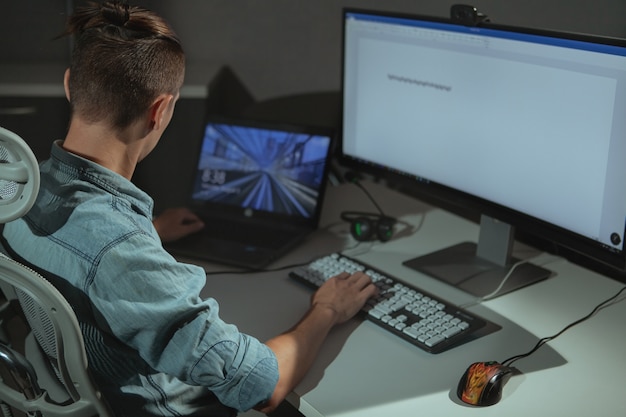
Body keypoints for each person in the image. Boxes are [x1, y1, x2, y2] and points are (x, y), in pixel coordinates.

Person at [1, 1, 377, 416]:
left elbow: (80, 254)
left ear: (71, 84)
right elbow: (260, 385)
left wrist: (152, 233)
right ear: (160, 111)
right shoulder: (120, 251)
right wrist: (328, 308)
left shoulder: (20, 188)